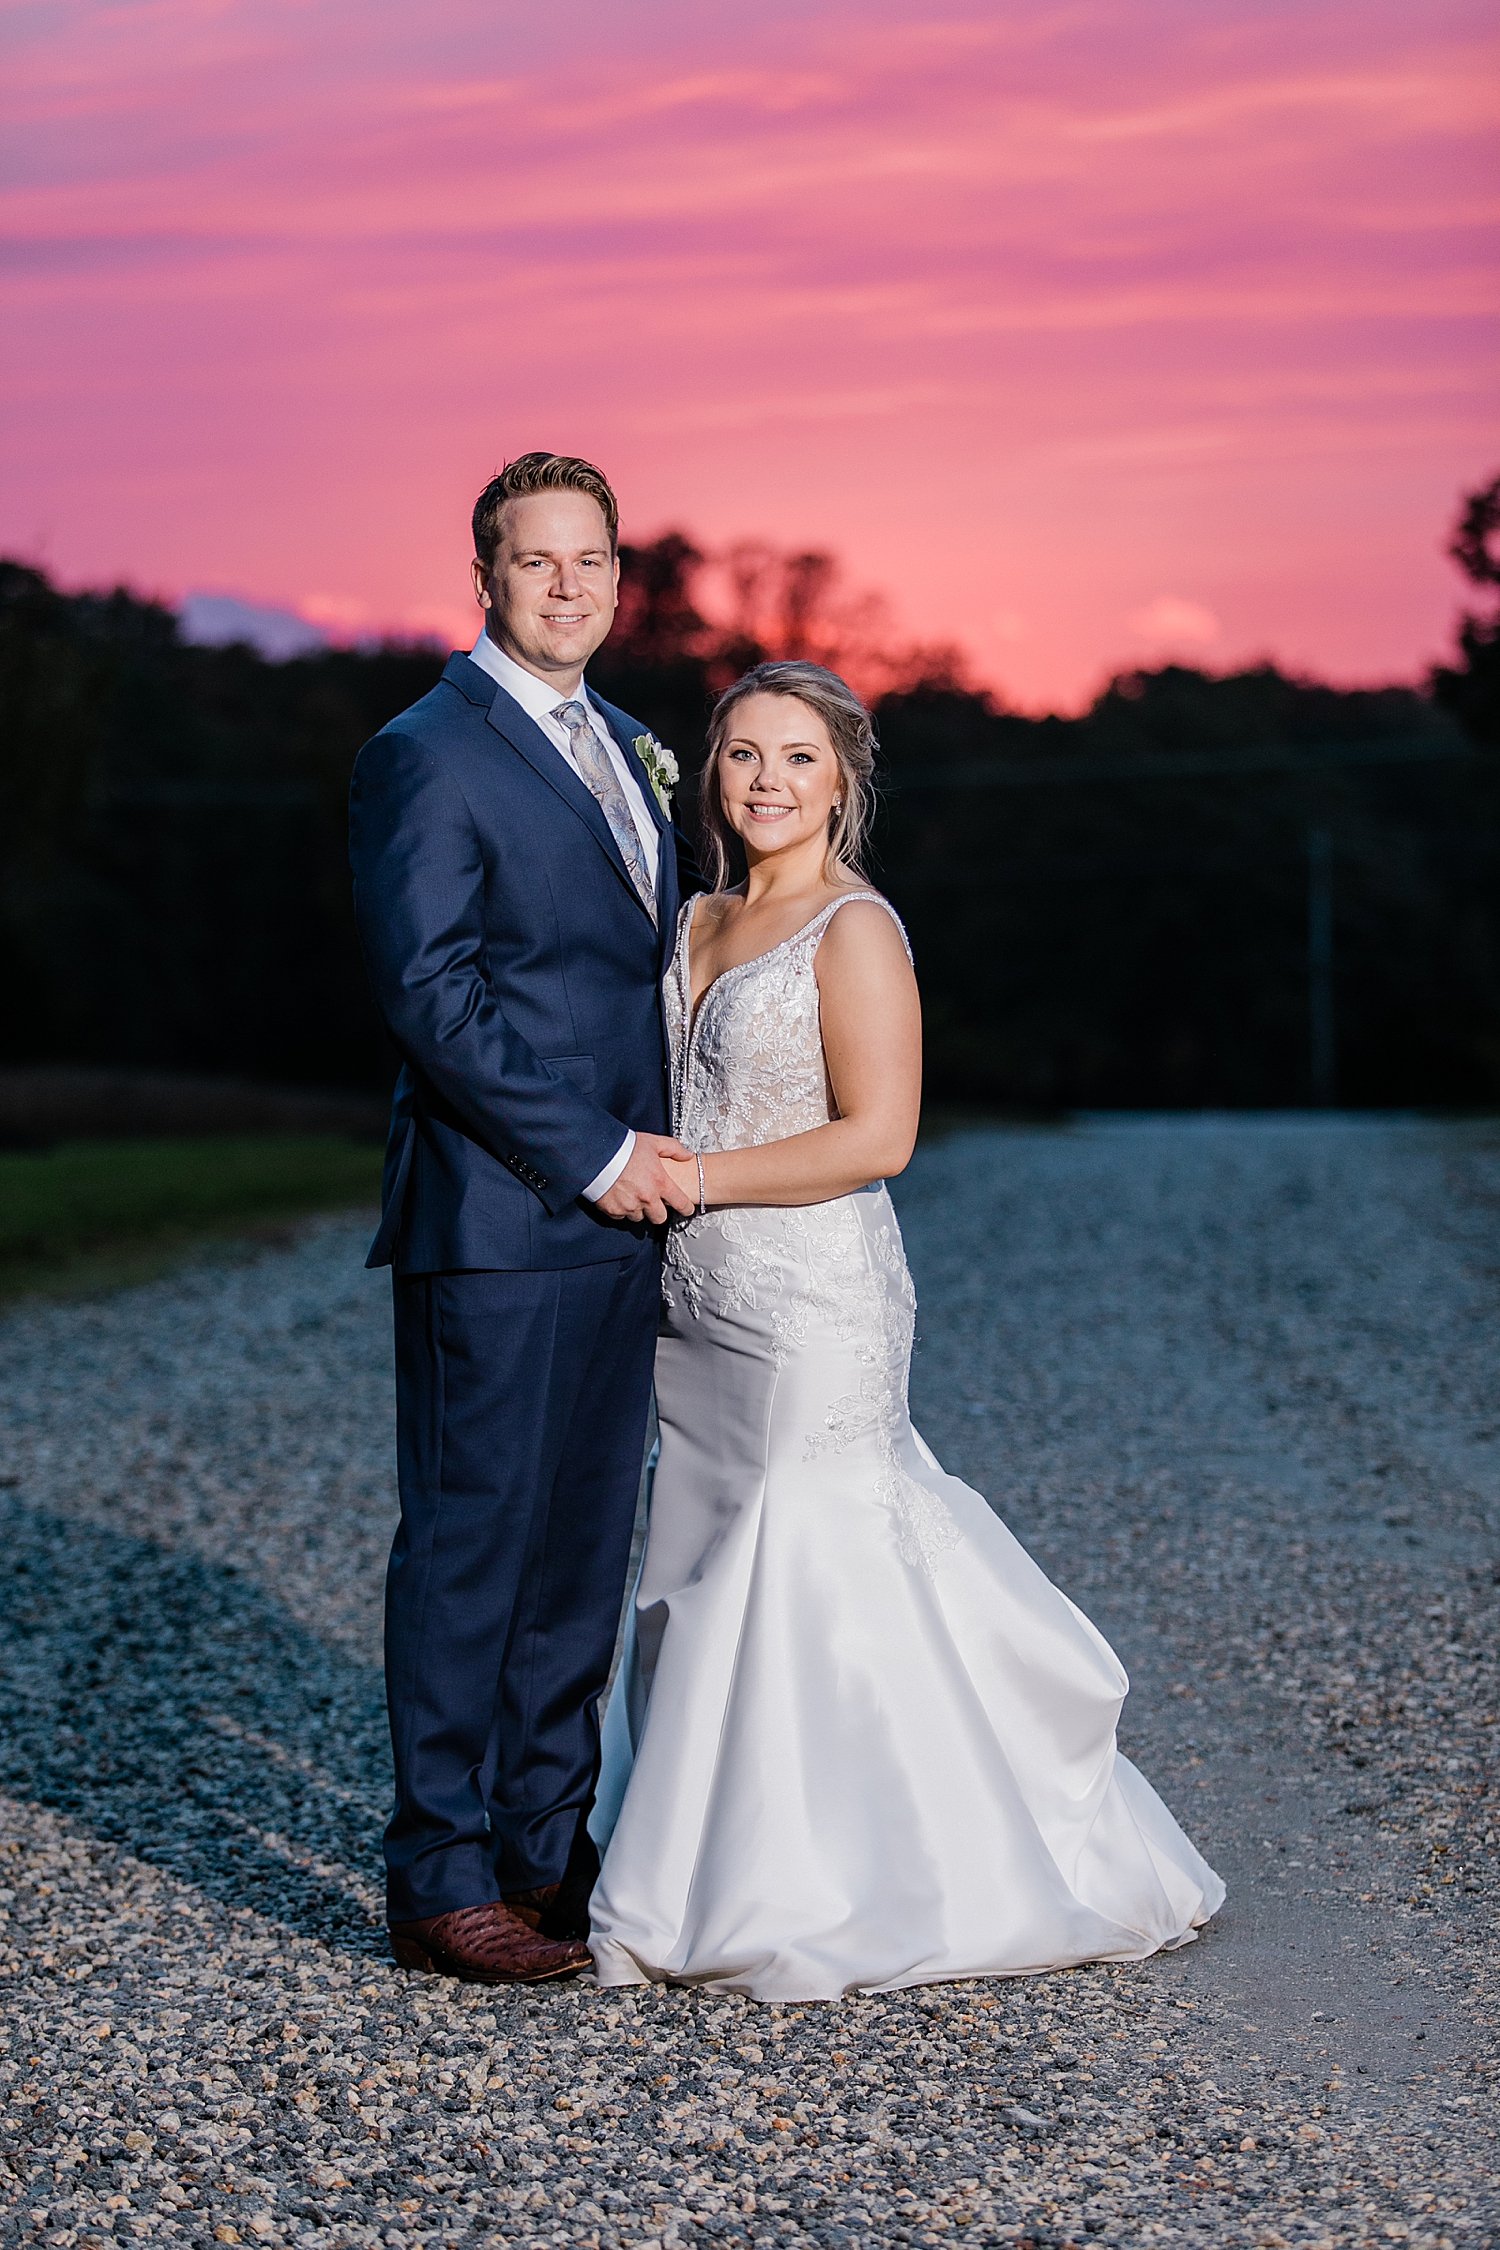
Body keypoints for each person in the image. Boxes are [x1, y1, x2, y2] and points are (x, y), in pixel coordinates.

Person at [588, 660, 1225, 2001]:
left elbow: (880, 1136)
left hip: (811, 1297)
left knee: (805, 1545)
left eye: (798, 758)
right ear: (713, 772)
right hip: (692, 1305)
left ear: (843, 782)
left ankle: (839, 1871)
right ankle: (694, 1854)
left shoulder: (855, 927)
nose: (767, 781)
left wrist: (692, 1178)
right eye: (743, 753)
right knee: (699, 1554)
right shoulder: (692, 915)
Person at [349, 453, 700, 1985]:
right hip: (499, 1211)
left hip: (627, 1219)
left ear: (619, 574)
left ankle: (545, 1851)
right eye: (537, 559)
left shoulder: (627, 743)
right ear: (484, 575)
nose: (568, 585)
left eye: (592, 559)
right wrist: (594, 1150)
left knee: (578, 1547)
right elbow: (433, 994)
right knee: (472, 1543)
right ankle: (438, 1875)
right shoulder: (425, 752)